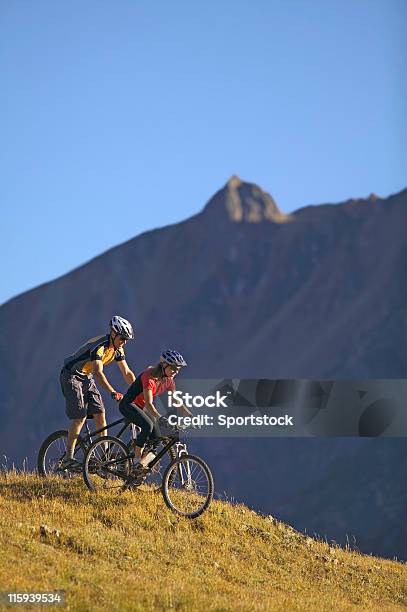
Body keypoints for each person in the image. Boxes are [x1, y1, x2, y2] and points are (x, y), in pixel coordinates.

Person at [60, 315, 136, 468]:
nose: (124, 342)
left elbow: (126, 372)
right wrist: (113, 391)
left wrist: (138, 390)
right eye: (122, 338)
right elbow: (98, 373)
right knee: (80, 417)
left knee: (100, 413)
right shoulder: (99, 347)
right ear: (113, 333)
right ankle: (68, 458)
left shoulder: (118, 349)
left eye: (127, 339)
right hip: (71, 375)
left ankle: (105, 456)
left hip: (86, 376)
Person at [119, 350, 191, 467]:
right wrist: (160, 418)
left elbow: (176, 400)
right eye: (173, 368)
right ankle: (137, 460)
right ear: (163, 365)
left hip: (142, 409)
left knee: (158, 434)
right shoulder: (149, 376)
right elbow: (149, 404)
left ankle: (142, 463)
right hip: (129, 405)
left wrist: (189, 415)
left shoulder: (168, 380)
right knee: (148, 425)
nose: (176, 372)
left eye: (178, 369)